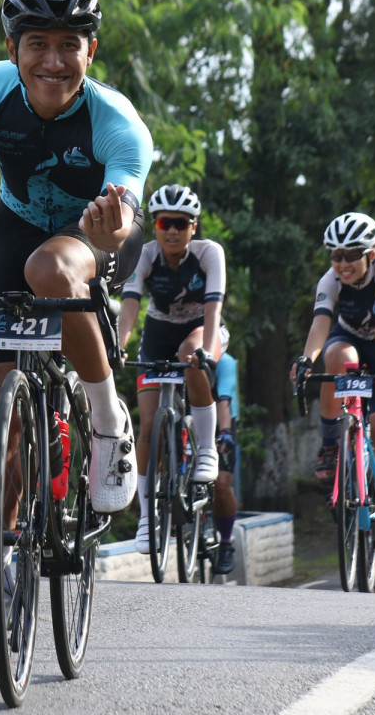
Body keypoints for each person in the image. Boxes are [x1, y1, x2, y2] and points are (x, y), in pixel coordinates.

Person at [0, 0, 153, 639]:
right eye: (37, 44)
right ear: (12, 48)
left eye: (69, 44)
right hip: (17, 226)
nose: (54, 60)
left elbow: (120, 219)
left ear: (91, 50)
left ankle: (107, 420)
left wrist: (110, 227)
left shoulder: (118, 122)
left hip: (95, 236)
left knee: (51, 269)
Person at [291, 212, 375, 565]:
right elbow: (320, 324)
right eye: (336, 255)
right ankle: (331, 446)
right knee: (339, 360)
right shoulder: (330, 280)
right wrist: (306, 359)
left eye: (351, 255)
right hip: (349, 338)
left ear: (371, 254)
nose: (342, 263)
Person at [118, 184, 226, 555]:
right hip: (158, 334)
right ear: (155, 225)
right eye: (165, 223)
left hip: (201, 330)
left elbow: (213, 308)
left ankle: (207, 449)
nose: (173, 231)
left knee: (190, 353)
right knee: (148, 425)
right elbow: (130, 305)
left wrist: (207, 351)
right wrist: (119, 346)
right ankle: (147, 517)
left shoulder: (209, 253)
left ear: (194, 226)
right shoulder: (144, 254)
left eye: (182, 223)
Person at [209, 348, 242, 575]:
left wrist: (225, 432)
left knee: (221, 484)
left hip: (222, 420)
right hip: (188, 416)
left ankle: (226, 542)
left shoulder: (225, 361)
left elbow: (224, 400)